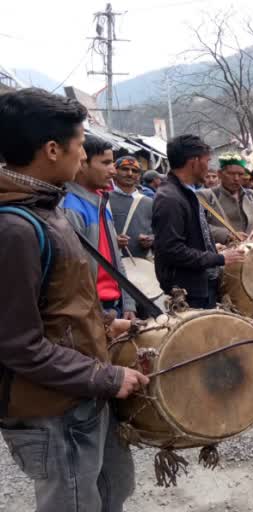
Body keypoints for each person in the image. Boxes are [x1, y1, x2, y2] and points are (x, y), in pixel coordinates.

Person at [0, 87, 148, 512]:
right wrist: (107, 378)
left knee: (111, 493)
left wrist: (105, 325)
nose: (84, 157)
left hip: (80, 394)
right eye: (81, 145)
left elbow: (59, 305)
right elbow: (17, 344)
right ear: (51, 149)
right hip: (51, 409)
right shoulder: (15, 228)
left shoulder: (49, 210)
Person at [153, 135, 246, 309]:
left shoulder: (185, 192)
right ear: (194, 161)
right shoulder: (170, 198)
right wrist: (218, 258)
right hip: (187, 290)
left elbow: (188, 237)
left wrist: (210, 246)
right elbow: (172, 250)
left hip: (200, 285)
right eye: (207, 160)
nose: (208, 166)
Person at [61, 135, 137, 320]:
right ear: (83, 163)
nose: (113, 171)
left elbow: (115, 258)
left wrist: (128, 302)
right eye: (106, 163)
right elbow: (70, 276)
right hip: (92, 312)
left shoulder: (100, 202)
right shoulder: (70, 208)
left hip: (113, 307)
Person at [197, 153, 253, 244]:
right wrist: (228, 235)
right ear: (219, 174)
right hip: (222, 252)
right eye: (231, 174)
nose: (236, 178)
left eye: (240, 174)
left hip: (251, 251)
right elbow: (199, 226)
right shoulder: (206, 196)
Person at [109, 156, 154, 259]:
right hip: (110, 264)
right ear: (115, 172)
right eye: (125, 169)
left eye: (134, 171)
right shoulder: (104, 199)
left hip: (139, 267)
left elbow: (160, 234)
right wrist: (111, 241)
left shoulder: (149, 203)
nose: (130, 174)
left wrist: (151, 240)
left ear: (139, 176)